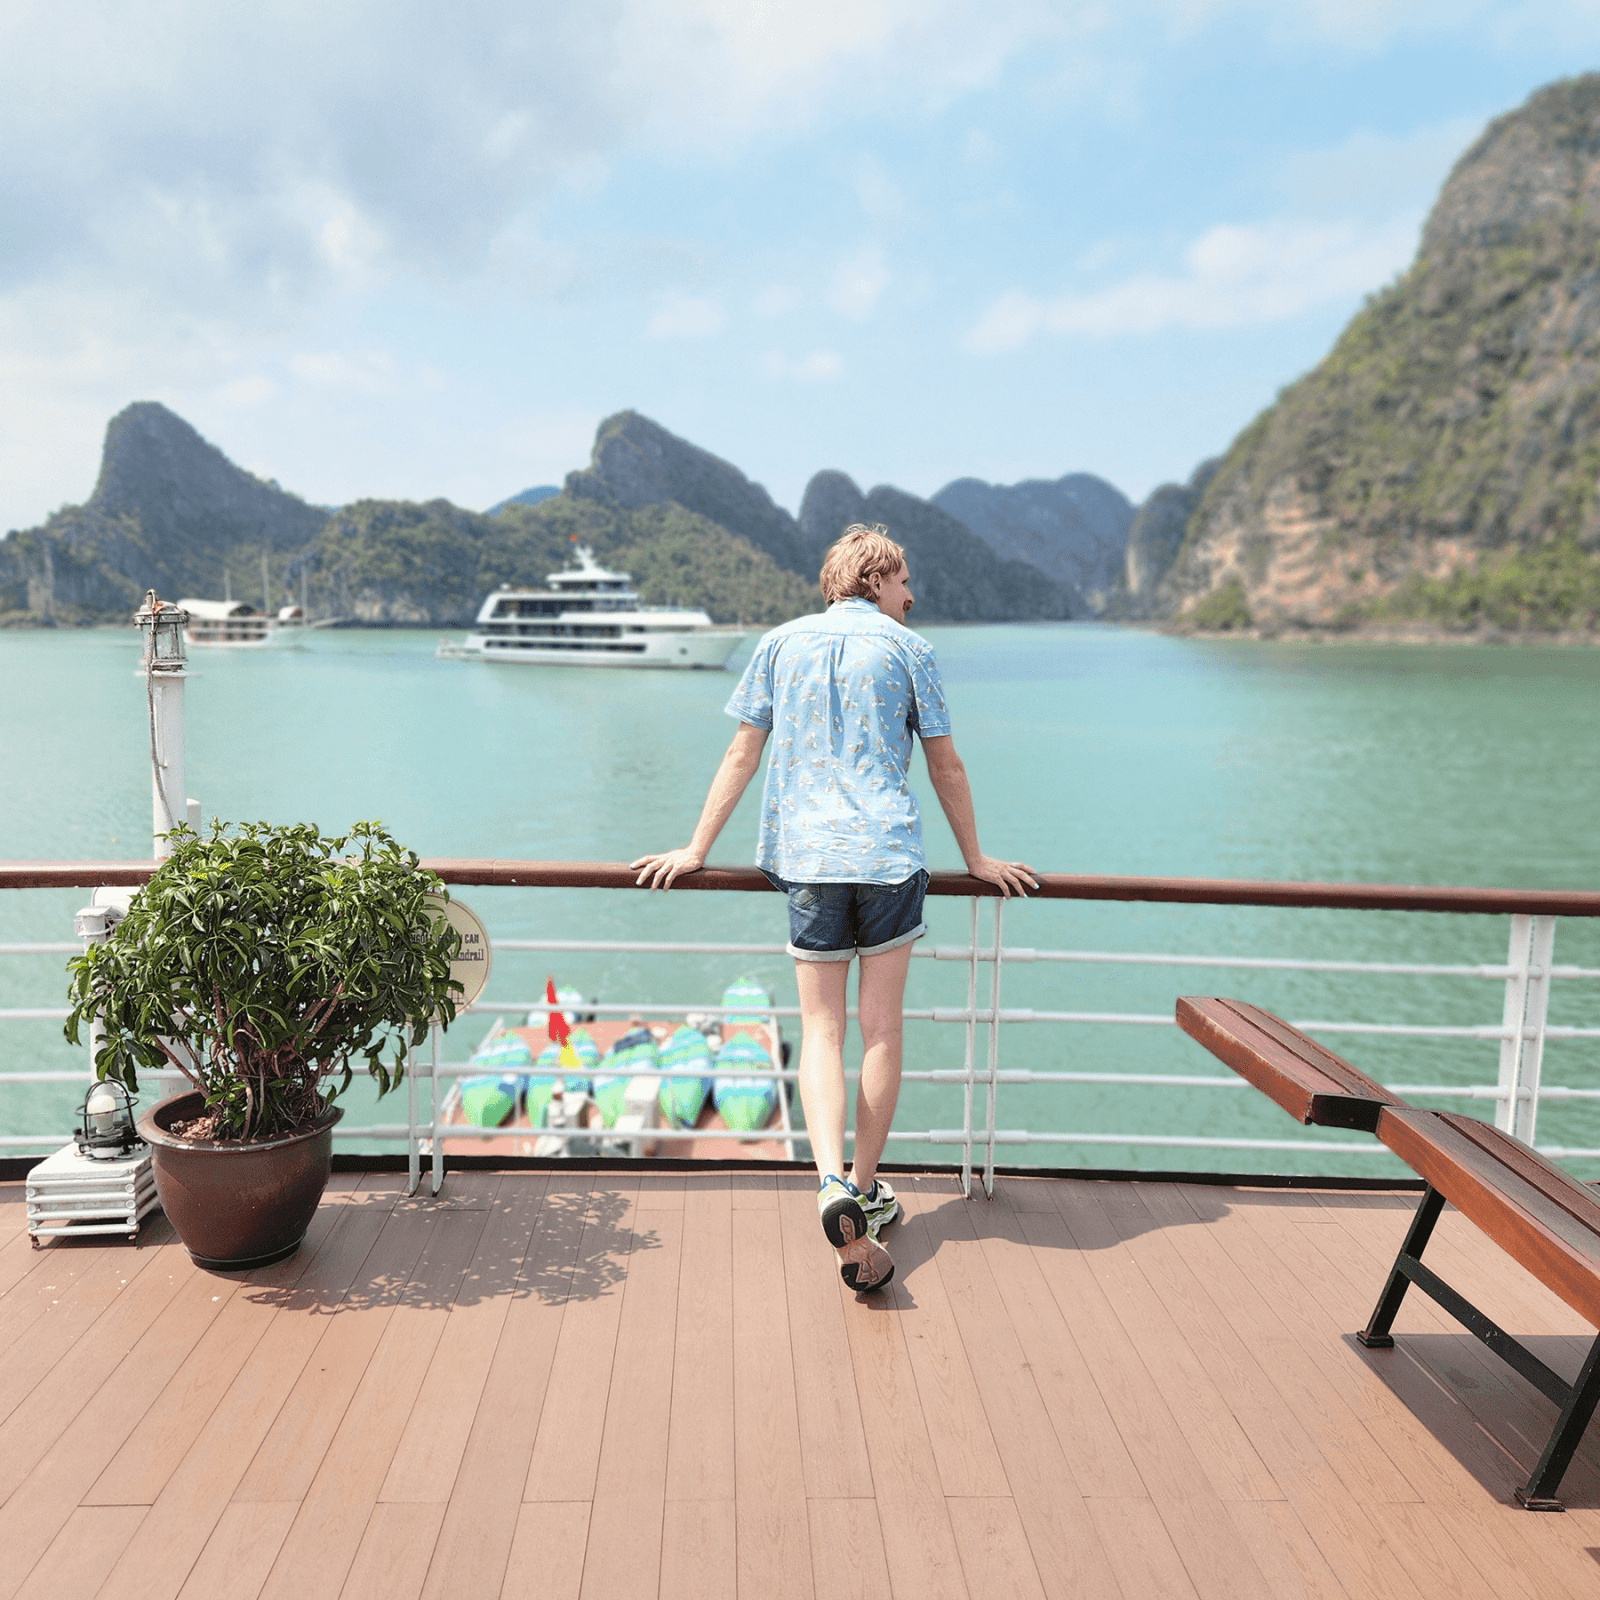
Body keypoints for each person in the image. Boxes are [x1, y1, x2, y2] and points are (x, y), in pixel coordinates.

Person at [631, 523, 1035, 1291]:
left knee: (821, 1029)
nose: (911, 595)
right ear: (873, 579)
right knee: (881, 1029)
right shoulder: (910, 650)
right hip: (886, 859)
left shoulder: (780, 644)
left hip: (812, 860)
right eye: (903, 580)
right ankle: (867, 1186)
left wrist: (694, 848)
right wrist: (978, 860)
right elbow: (945, 763)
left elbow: (742, 752)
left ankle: (829, 1185)